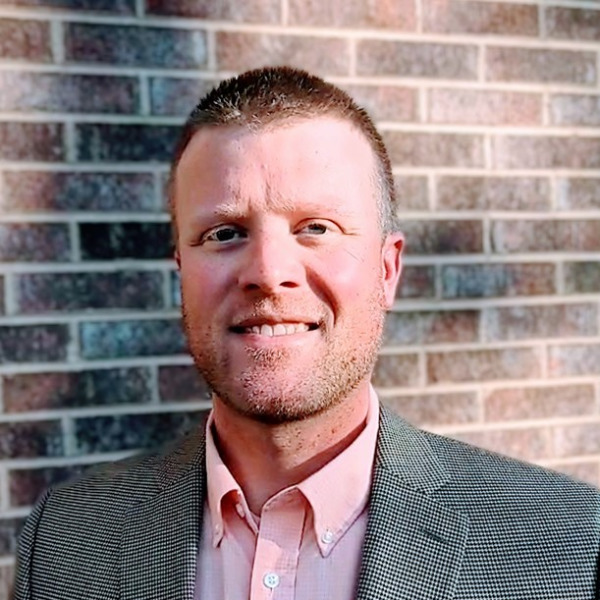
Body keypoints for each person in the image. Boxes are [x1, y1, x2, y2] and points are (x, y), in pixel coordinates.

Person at [13, 66, 600, 600]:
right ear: (181, 272)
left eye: (316, 228)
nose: (269, 273)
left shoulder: (571, 546)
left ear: (387, 270)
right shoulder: (64, 542)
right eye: (224, 233)